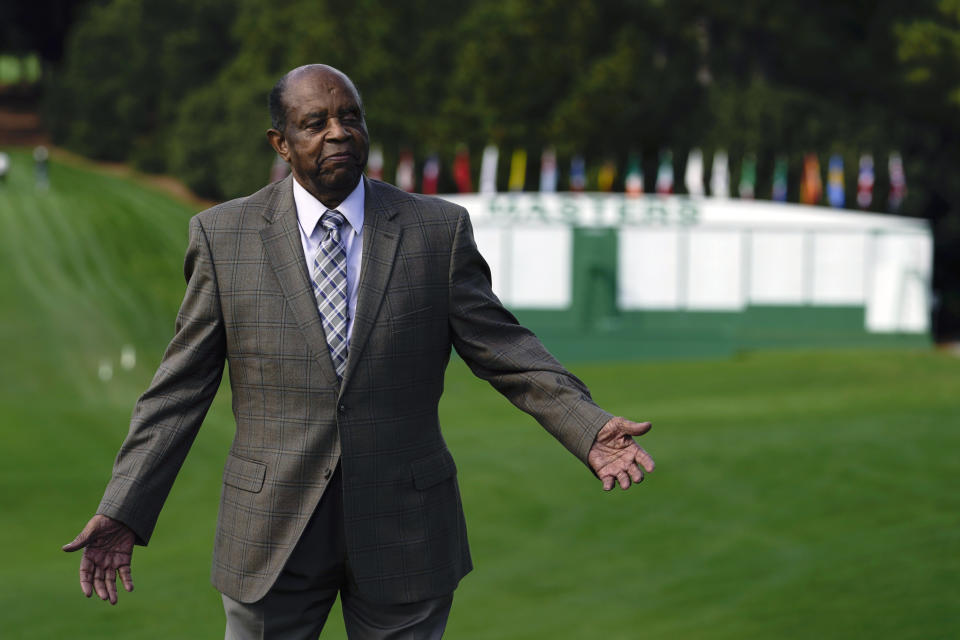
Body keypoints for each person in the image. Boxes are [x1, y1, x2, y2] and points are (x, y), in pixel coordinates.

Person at [63, 64, 656, 638]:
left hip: (406, 526)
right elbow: (180, 388)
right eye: (315, 122)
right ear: (281, 142)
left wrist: (588, 426)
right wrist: (125, 508)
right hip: (272, 531)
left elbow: (505, 347)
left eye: (350, 117)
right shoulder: (223, 238)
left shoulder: (436, 231)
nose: (338, 132)